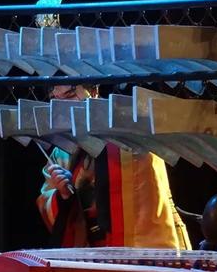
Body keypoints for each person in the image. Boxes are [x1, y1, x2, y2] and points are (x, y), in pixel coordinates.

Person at [37, 84, 191, 249]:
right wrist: (63, 196)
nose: (63, 107)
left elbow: (151, 201)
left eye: (69, 95)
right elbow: (46, 203)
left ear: (93, 91)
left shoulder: (130, 136)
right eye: (55, 100)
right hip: (88, 246)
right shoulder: (62, 152)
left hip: (137, 242)